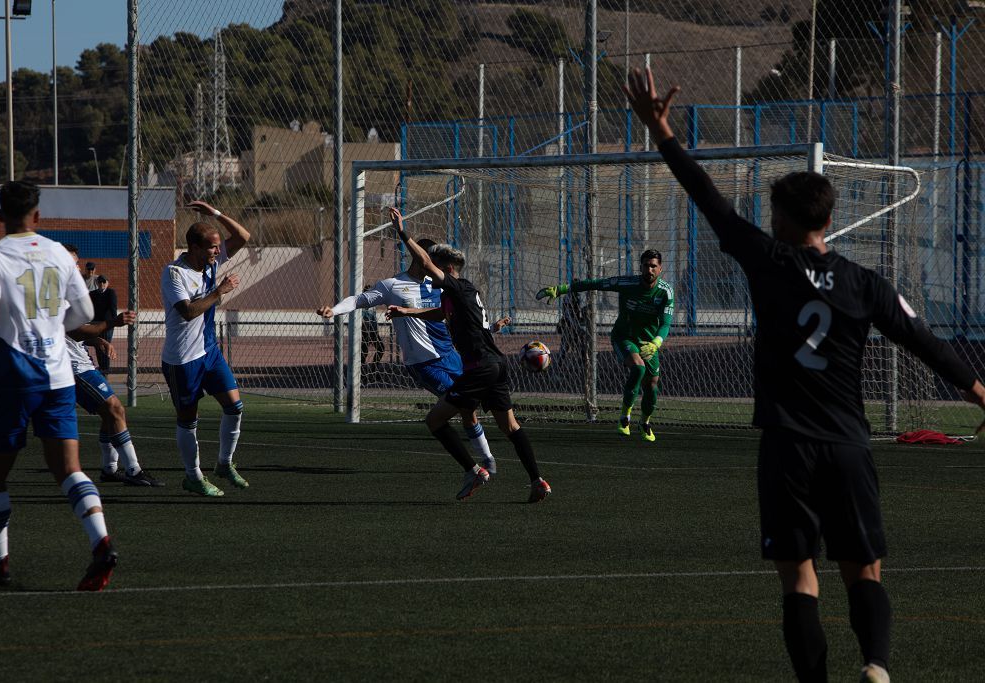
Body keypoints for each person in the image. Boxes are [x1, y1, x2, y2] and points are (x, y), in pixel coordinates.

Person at [624, 66, 985, 682]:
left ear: (784, 220)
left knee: (799, 576)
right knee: (863, 570)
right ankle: (875, 666)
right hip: (848, 445)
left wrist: (662, 133)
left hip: (788, 446)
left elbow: (706, 197)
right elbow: (925, 342)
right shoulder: (865, 283)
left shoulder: (768, 262)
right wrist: (982, 394)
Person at [0, 180, 118, 591]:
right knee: (69, 469)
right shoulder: (56, 252)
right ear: (39, 215)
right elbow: (83, 310)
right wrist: (50, 327)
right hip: (59, 376)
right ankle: (101, 542)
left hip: (14, 378)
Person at [385, 208, 550, 503]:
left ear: (447, 270)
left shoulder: (455, 286)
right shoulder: (459, 294)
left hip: (479, 369)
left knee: (435, 421)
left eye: (434, 266)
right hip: (496, 366)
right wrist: (407, 310)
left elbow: (422, 260)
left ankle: (473, 470)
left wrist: (402, 232)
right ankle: (537, 480)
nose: (427, 270)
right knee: (510, 426)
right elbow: (439, 313)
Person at [316, 240, 500, 475]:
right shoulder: (393, 286)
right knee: (464, 406)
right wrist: (334, 310)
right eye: (434, 261)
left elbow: (465, 316)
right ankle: (479, 465)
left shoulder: (442, 285)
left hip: (451, 356)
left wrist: (490, 329)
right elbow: (358, 300)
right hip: (424, 364)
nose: (439, 267)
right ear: (420, 258)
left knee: (470, 410)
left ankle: (487, 459)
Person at [161, 199, 250, 497]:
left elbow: (243, 237)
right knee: (188, 420)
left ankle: (224, 464)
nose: (217, 251)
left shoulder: (211, 263)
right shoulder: (174, 273)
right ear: (195, 248)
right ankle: (193, 475)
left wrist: (216, 214)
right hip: (182, 358)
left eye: (216, 247)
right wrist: (219, 291)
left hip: (209, 352)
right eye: (212, 247)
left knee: (235, 407)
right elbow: (187, 311)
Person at [537, 249, 673, 441]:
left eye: (653, 266)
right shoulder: (627, 283)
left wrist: (656, 342)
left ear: (660, 269)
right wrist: (562, 289)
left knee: (652, 385)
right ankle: (625, 417)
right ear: (640, 267)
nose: (649, 270)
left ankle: (645, 422)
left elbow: (665, 323)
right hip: (624, 337)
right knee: (638, 369)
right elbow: (596, 284)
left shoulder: (666, 292)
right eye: (646, 265)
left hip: (650, 343)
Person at [63, 244, 162, 487]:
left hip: (80, 362)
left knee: (110, 413)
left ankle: (109, 469)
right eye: (71, 263)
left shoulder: (68, 292)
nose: (76, 267)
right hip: (72, 368)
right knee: (115, 409)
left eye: (76, 262)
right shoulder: (57, 294)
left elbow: (66, 332)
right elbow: (73, 330)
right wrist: (113, 322)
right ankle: (134, 470)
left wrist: (96, 340)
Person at [89, 274, 118, 374]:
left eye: (104, 282)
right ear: (97, 283)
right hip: (95, 323)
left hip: (107, 324)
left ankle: (106, 367)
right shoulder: (92, 294)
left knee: (106, 344)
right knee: (98, 345)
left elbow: (113, 308)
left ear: (107, 283)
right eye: (100, 282)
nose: (102, 284)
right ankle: (101, 366)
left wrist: (114, 322)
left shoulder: (110, 293)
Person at [359, 285, 385, 364]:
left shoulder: (373, 304)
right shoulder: (361, 304)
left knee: (381, 348)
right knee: (364, 351)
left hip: (373, 331)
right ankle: (361, 371)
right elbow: (362, 319)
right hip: (365, 332)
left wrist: (376, 330)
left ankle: (374, 368)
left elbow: (374, 318)